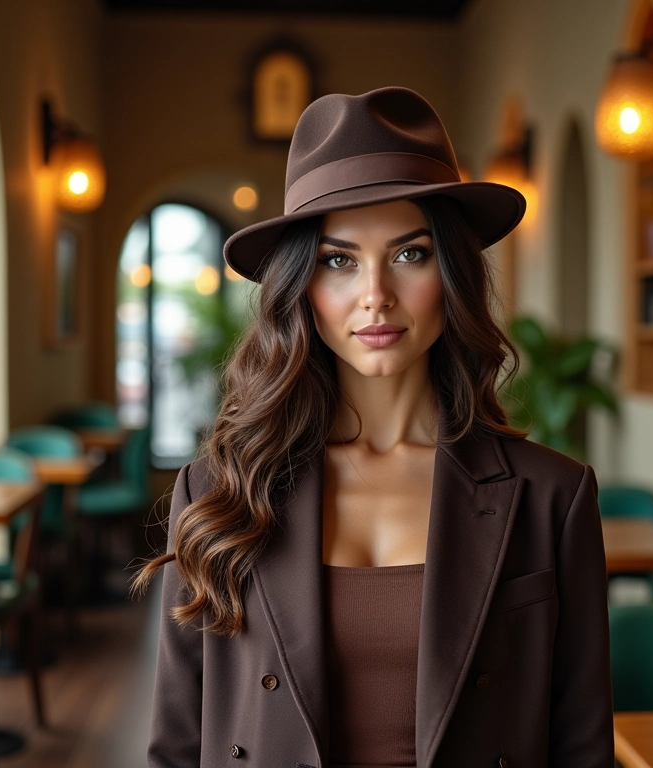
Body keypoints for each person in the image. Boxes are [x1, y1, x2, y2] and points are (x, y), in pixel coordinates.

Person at [137, 86, 614, 768]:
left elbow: (582, 747)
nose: (375, 295)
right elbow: (177, 747)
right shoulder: (220, 492)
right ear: (301, 288)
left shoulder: (551, 498)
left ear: (451, 275)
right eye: (338, 261)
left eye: (410, 254)